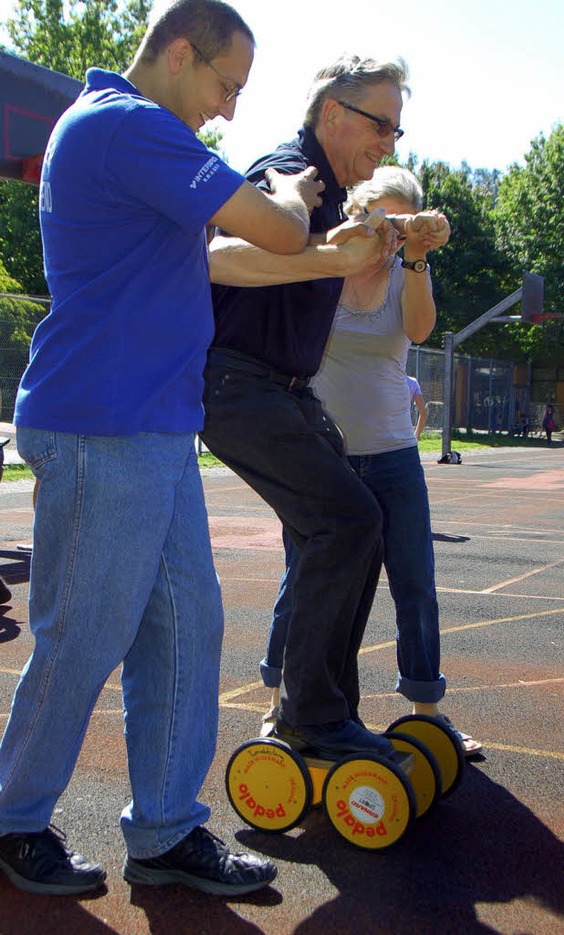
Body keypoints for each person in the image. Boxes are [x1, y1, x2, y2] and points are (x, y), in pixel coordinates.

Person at [0, 0, 324, 899]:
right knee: (85, 635)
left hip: (151, 424)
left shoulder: (123, 136)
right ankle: (13, 816)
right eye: (225, 84)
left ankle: (167, 829)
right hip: (105, 424)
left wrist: (338, 253)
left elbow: (230, 256)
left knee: (184, 628)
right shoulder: (129, 125)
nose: (226, 108)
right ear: (178, 52)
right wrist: (296, 188)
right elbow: (277, 228)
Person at [202, 55, 421, 765]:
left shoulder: (337, 194)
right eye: (380, 124)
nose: (389, 141)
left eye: (396, 128)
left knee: (361, 521)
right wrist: (318, 239)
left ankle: (327, 710)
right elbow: (228, 244)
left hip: (283, 388)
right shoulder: (289, 170)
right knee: (347, 519)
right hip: (238, 383)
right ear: (333, 114)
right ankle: (310, 715)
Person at [257, 166, 481, 757]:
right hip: (322, 457)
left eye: (401, 222)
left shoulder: (408, 272)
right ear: (357, 213)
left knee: (415, 583)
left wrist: (416, 259)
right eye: (381, 217)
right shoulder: (327, 262)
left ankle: (428, 714)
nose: (389, 231)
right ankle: (279, 704)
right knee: (303, 582)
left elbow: (421, 327)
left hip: (392, 456)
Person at [407, 374, 427, 439]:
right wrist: (415, 437)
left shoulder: (378, 381)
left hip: (381, 440)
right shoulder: (412, 382)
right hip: (406, 440)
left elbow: (423, 414)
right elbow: (423, 413)